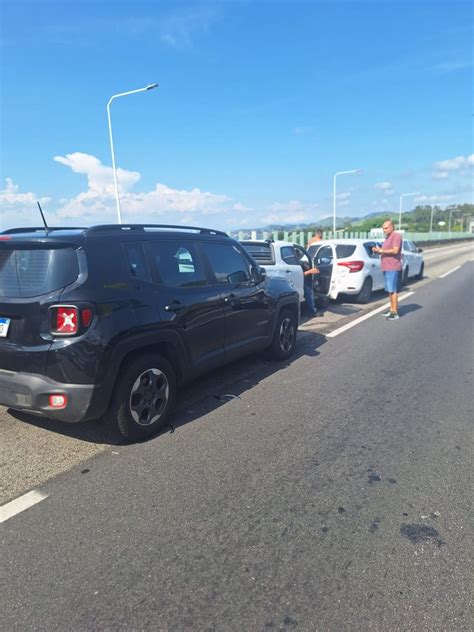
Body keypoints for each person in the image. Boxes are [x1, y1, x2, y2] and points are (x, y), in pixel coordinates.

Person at [372, 219, 403, 320]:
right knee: (389, 290)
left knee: (393, 290)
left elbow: (395, 250)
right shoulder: (388, 238)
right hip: (386, 267)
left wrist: (381, 250)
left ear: (392, 227)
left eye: (386, 228)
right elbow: (386, 250)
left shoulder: (396, 236)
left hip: (392, 267)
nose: (384, 230)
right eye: (383, 228)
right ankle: (391, 309)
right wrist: (378, 250)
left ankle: (395, 312)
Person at [296, 250, 320, 317]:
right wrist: (309, 271)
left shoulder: (299, 263)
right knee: (308, 292)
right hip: (299, 282)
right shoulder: (295, 264)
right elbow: (299, 275)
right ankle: (312, 311)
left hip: (296, 282)